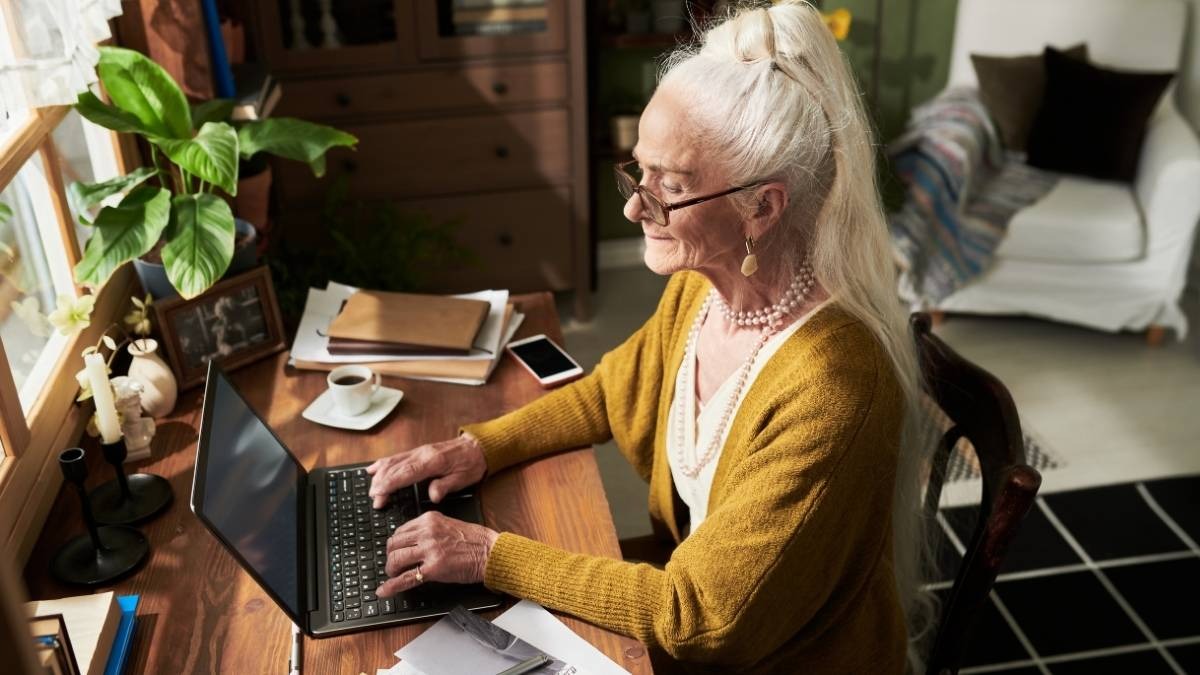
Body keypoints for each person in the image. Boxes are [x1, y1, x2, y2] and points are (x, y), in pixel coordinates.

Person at [368, 2, 932, 672]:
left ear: (763, 206)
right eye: (638, 171)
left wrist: (489, 554)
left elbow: (702, 618)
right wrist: (478, 448)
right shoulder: (704, 287)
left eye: (671, 187)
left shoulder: (834, 389)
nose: (636, 205)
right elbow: (611, 392)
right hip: (690, 604)